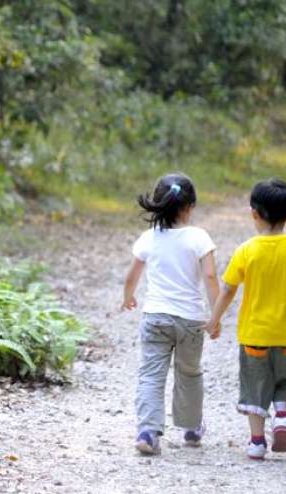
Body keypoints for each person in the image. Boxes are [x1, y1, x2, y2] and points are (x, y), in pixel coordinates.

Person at [121, 173, 220, 455]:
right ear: (190, 207)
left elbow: (132, 275)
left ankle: (148, 432)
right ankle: (191, 427)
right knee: (189, 373)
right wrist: (215, 316)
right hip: (190, 320)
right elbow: (210, 277)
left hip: (155, 318)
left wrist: (128, 297)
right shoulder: (199, 237)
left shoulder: (148, 238)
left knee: (151, 374)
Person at [207, 178, 286, 460]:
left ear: (254, 214)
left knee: (255, 387)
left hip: (254, 336)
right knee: (284, 382)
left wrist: (215, 319)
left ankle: (257, 443)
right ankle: (283, 418)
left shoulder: (246, 250)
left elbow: (228, 289)